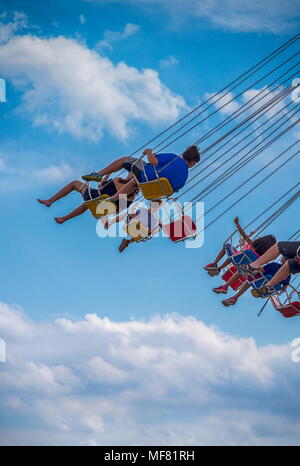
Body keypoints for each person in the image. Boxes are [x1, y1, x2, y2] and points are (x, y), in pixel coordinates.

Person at [81, 145, 201, 201]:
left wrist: (149, 151)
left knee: (125, 160)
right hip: (152, 190)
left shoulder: (174, 158)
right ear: (193, 163)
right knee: (134, 181)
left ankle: (99, 174)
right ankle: (113, 198)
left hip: (146, 176)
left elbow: (153, 161)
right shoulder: (185, 177)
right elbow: (172, 190)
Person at [37, 175, 138, 224]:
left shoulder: (119, 180)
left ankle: (50, 201)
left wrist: (107, 174)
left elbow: (102, 186)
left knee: (75, 183)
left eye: (130, 173)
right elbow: (118, 210)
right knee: (88, 204)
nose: (128, 174)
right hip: (100, 207)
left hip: (95, 196)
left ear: (131, 177)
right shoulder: (131, 197)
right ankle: (63, 218)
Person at [204, 216, 272, 276]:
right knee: (235, 257)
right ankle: (219, 268)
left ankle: (214, 263)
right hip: (244, 266)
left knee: (228, 247)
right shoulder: (262, 257)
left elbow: (244, 236)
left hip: (239, 259)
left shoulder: (253, 245)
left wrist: (237, 224)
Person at [219, 259, 291, 307]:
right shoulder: (288, 275)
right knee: (252, 281)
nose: (282, 258)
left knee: (250, 279)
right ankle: (235, 297)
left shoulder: (275, 265)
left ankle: (232, 293)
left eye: (284, 258)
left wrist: (252, 268)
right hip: (269, 290)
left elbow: (261, 270)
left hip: (262, 282)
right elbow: (283, 288)